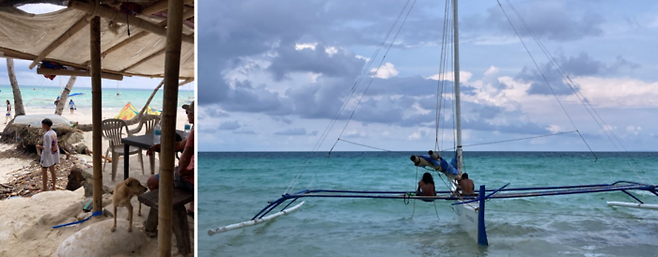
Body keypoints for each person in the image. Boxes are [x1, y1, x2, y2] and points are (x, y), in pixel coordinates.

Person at [146, 101, 195, 215]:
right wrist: (158, 146)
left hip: (191, 181)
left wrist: (182, 172)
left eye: (188, 112)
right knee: (171, 171)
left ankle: (167, 210)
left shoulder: (195, 133)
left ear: (193, 114)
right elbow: (179, 145)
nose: (187, 115)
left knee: (152, 181)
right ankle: (190, 208)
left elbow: (185, 157)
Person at [36, 118, 59, 192]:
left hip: (47, 156)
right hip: (53, 154)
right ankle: (54, 187)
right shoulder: (53, 133)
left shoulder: (46, 135)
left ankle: (44, 187)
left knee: (44, 171)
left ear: (46, 125)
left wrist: (39, 147)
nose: (42, 126)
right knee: (52, 171)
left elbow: (47, 148)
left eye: (43, 125)